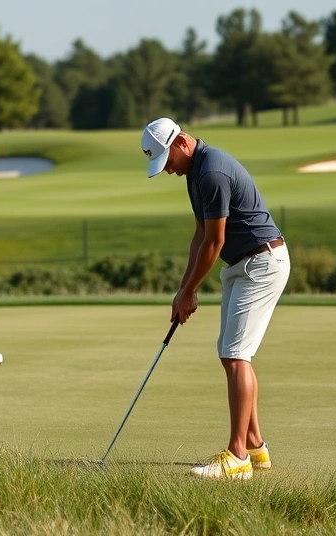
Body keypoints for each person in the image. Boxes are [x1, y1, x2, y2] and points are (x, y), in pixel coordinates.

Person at [141, 117, 290, 480]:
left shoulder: (212, 172)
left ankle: (237, 457)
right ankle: (255, 446)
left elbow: (214, 242)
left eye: (168, 161)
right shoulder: (196, 173)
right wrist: (183, 289)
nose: (168, 170)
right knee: (231, 354)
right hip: (242, 265)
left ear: (181, 143)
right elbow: (199, 235)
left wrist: (191, 291)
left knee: (236, 355)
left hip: (260, 262)